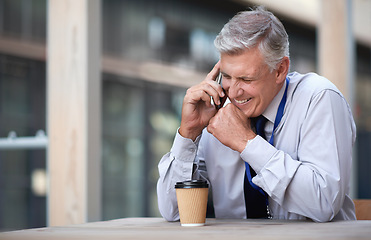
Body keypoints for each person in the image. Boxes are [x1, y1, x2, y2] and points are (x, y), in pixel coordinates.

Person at [157, 6, 356, 222]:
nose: (233, 92)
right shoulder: (217, 111)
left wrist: (246, 143)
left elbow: (324, 204)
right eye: (227, 76)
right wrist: (189, 134)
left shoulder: (318, 98)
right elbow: (173, 212)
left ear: (280, 70)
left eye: (246, 79)